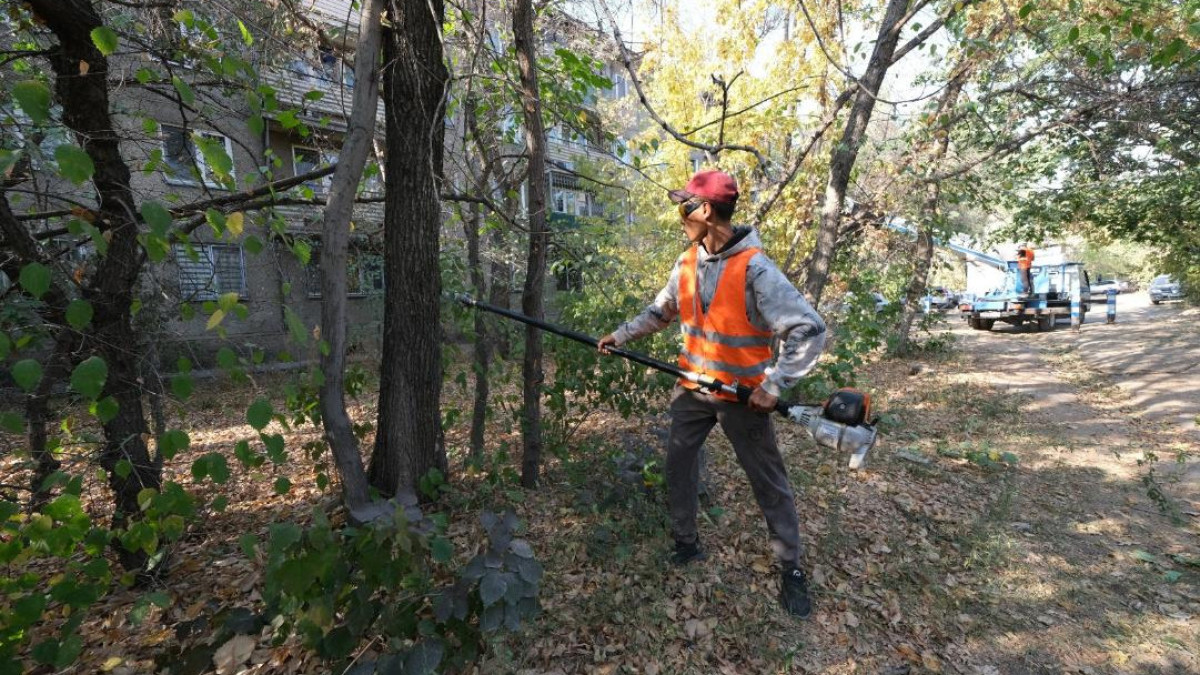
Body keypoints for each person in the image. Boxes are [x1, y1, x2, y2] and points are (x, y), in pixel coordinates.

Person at [597, 169, 827, 618]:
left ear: (705, 211)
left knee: (769, 483)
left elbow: (809, 329)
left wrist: (774, 384)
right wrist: (620, 336)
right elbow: (660, 311)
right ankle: (686, 543)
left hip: (742, 399)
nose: (679, 215)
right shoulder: (685, 262)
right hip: (692, 391)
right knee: (677, 466)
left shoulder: (755, 268)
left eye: (684, 206)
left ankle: (791, 569)